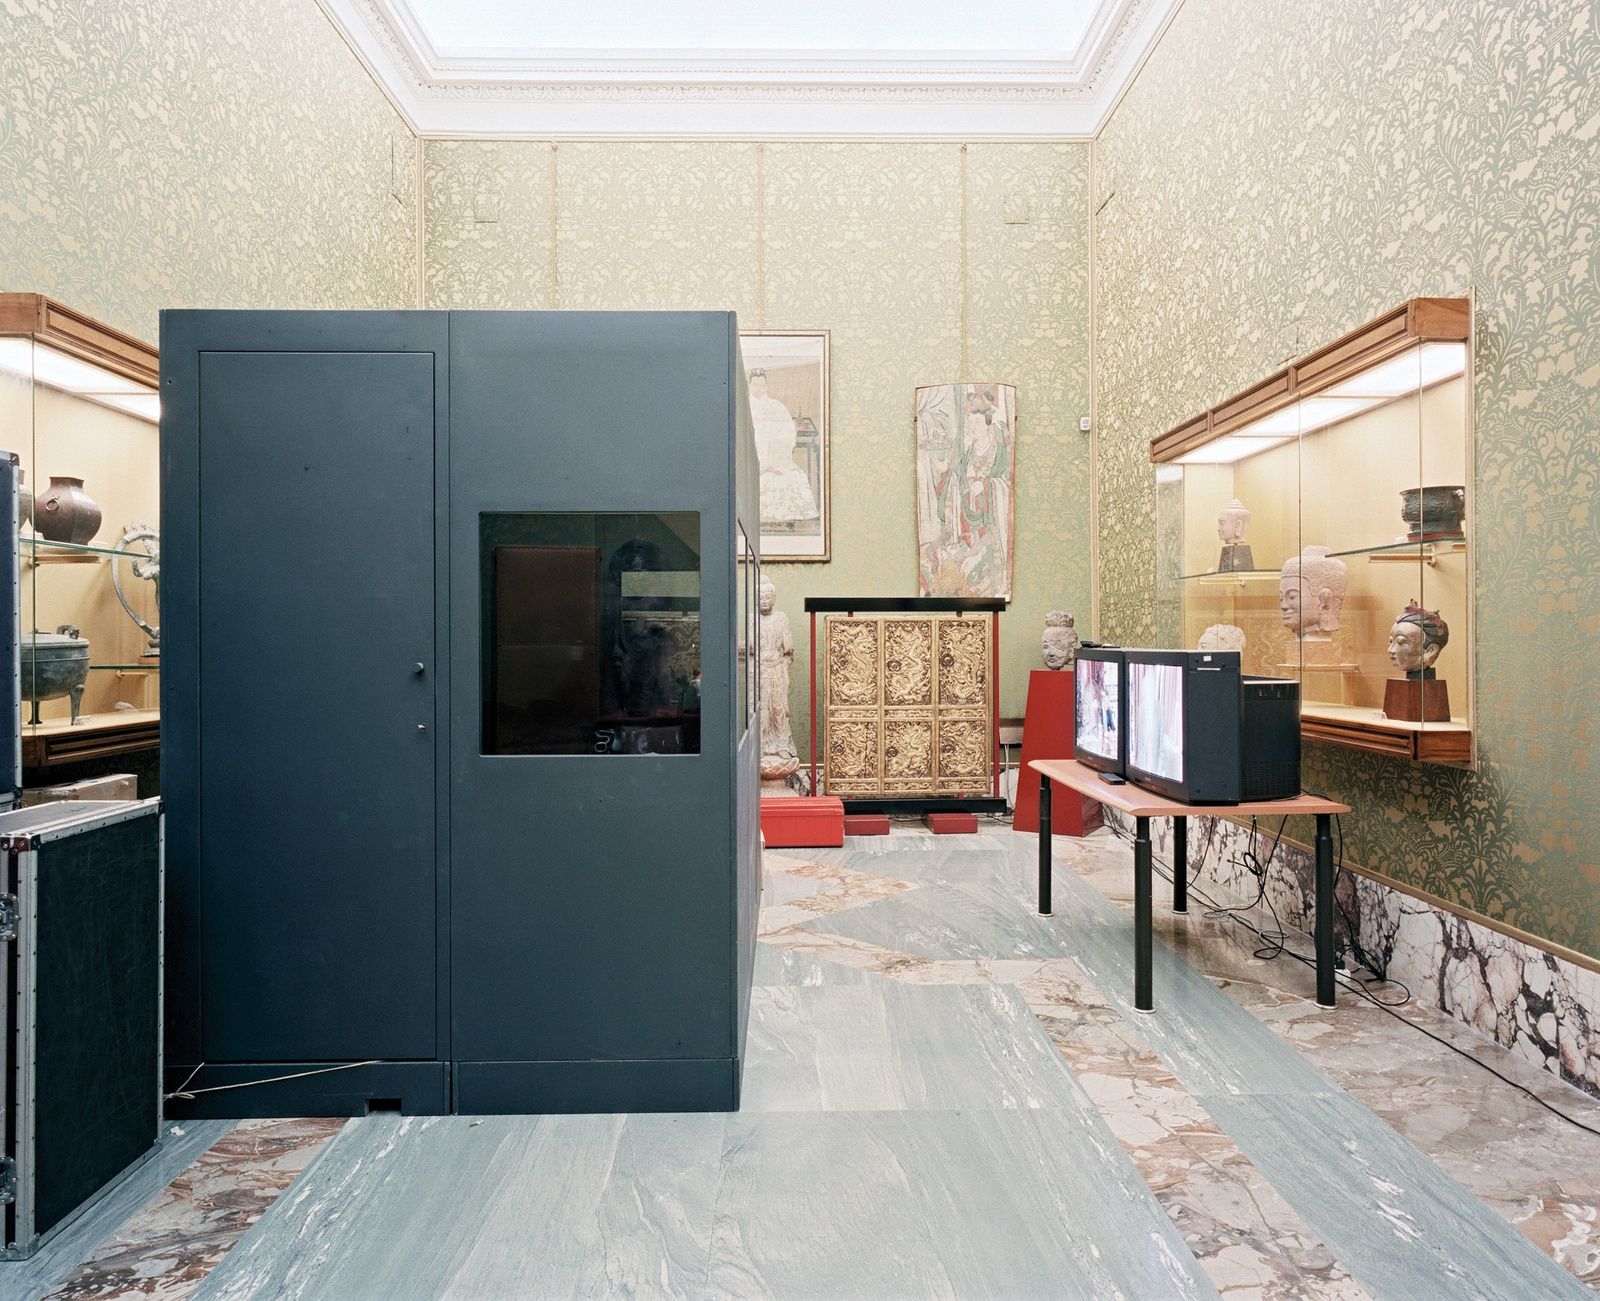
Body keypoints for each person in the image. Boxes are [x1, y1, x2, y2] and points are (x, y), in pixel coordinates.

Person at [748, 369, 819, 525]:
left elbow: (787, 435)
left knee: (792, 477)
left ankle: (786, 520)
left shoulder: (777, 407)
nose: (759, 388)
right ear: (750, 386)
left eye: (762, 385)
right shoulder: (743, 408)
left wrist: (775, 459)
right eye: (755, 385)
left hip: (775, 459)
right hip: (751, 459)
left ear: (766, 386)